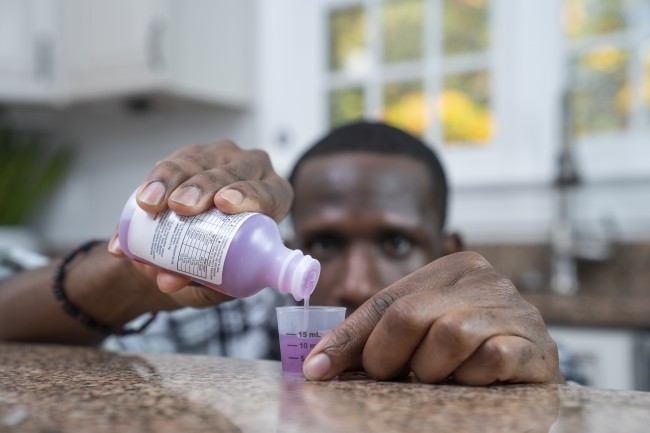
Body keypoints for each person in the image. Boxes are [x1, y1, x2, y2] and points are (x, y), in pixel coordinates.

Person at [0, 121, 562, 385]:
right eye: (324, 244)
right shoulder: (235, 320)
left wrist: (529, 386)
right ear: (290, 248)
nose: (357, 283)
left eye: (395, 243)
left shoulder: (491, 333)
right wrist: (136, 269)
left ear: (448, 250)